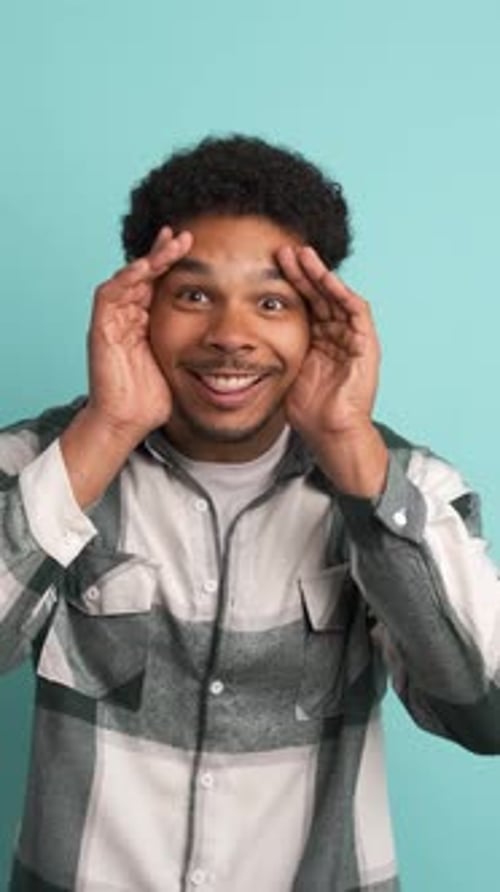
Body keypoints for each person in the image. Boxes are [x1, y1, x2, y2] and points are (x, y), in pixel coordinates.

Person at [2, 134, 500, 892]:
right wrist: (104, 432)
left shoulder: (408, 488)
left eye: (273, 303)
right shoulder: (41, 464)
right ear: (138, 309)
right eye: (194, 295)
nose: (231, 335)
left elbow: (485, 714)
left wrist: (350, 451)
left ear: (320, 324)